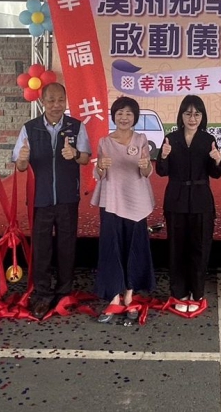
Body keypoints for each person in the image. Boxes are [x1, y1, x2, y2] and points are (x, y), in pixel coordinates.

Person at [12, 82, 91, 319]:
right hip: (40, 198)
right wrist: (23, 158)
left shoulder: (76, 126)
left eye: (60, 100)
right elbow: (20, 166)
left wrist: (75, 154)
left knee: (67, 247)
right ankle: (42, 294)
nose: (56, 105)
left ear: (65, 101)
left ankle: (64, 292)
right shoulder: (30, 128)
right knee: (42, 249)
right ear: (42, 102)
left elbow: (86, 158)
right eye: (51, 100)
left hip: (67, 198)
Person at [155, 95, 221, 312]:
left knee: (199, 249)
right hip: (176, 200)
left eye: (197, 114)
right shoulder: (171, 139)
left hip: (201, 201)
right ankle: (179, 293)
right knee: (177, 249)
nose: (192, 118)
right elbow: (161, 171)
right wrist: (163, 156)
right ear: (181, 115)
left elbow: (216, 174)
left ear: (202, 116)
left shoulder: (207, 139)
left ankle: (197, 293)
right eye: (188, 113)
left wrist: (217, 160)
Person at [91, 97, 156, 323]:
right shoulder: (104, 142)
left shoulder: (141, 139)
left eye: (129, 113)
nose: (124, 117)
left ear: (135, 117)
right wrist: (100, 167)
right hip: (112, 200)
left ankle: (129, 295)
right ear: (114, 116)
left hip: (136, 201)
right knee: (112, 248)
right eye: (120, 113)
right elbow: (99, 174)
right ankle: (113, 297)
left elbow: (146, 172)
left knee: (133, 247)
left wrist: (145, 165)